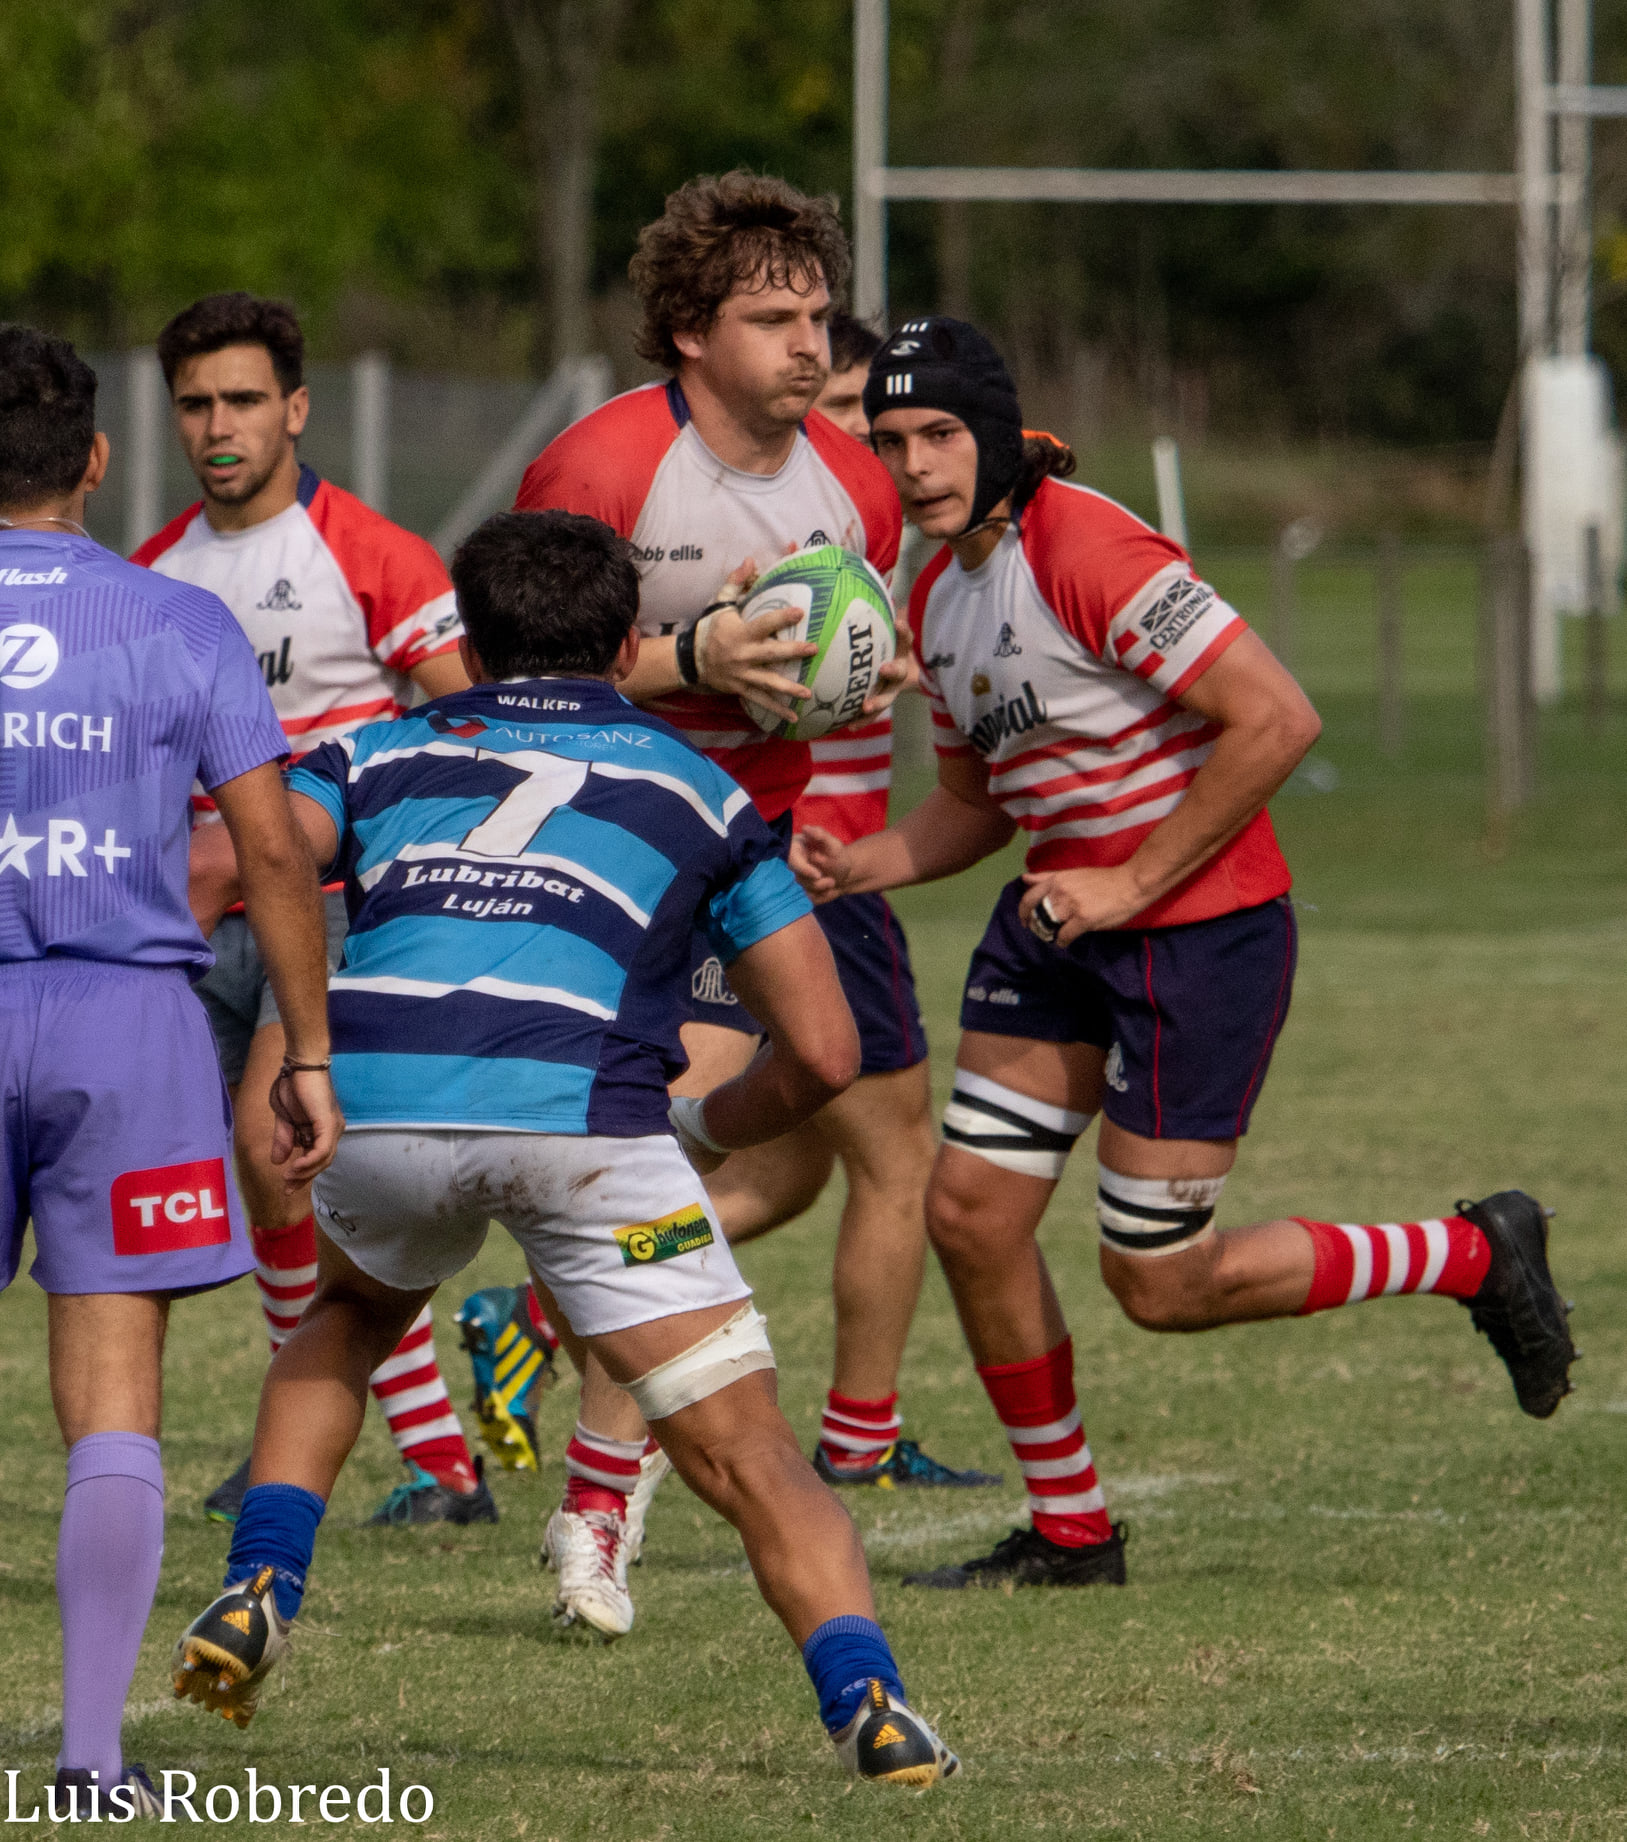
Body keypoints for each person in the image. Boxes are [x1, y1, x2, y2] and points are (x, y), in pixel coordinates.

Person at [169, 509, 959, 1789]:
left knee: (351, 1315)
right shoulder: (699, 789)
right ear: (631, 644)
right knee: (746, 1448)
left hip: (383, 1103)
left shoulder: (371, 751)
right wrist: (703, 1127)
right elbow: (824, 1053)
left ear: (471, 647)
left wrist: (300, 1047)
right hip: (585, 1132)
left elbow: (244, 858)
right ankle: (868, 1701)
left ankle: (260, 1583)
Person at [794, 315, 1576, 1591]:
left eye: (938, 434)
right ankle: (1071, 1533)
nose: (915, 465)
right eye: (890, 441)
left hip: (1196, 938)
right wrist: (859, 863)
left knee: (1161, 1286)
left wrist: (1129, 883)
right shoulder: (933, 598)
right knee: (969, 1215)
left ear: (991, 431)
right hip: (1055, 931)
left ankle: (1469, 1253)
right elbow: (979, 804)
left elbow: (1276, 719)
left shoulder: (1090, 547)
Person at [509, 170, 965, 1633]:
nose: (809, 344)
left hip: (763, 845)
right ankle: (598, 1497)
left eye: (818, 314)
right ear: (690, 331)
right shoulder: (596, 468)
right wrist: (690, 655)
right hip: (618, 846)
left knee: (818, 1108)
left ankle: (601, 1336)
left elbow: (841, 661)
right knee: (653, 1178)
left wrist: (859, 671)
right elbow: (522, 673)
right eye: (774, 318)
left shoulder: (858, 483)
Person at [0, 324, 341, 1813]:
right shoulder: (179, 620)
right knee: (115, 1392)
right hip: (126, 1020)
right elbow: (271, 849)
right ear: (95, 458)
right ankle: (88, 1758)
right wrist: (307, 1047)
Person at [134, 292, 488, 1527]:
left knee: (273, 1142)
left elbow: (467, 722)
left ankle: (435, 1466)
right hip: (195, 919)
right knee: (258, 1182)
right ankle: (375, 1447)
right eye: (194, 404)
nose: (217, 426)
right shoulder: (154, 574)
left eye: (241, 400)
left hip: (331, 909)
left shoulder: (374, 556)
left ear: (294, 409)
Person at [705, 307, 998, 1490]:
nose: (878, 454)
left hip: (793, 870)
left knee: (784, 1170)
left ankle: (537, 1310)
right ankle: (861, 1439)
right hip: (812, 876)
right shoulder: (795, 557)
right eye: (844, 419)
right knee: (899, 1163)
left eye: (879, 427)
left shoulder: (878, 559)